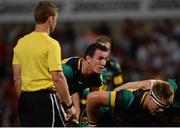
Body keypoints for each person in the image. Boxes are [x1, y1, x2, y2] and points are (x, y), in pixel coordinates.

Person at [12, 1, 75, 127]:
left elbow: (17, 78)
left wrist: (23, 99)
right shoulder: (51, 44)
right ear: (51, 19)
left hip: (24, 99)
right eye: (55, 19)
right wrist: (69, 105)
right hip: (44, 100)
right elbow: (57, 77)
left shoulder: (21, 42)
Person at [86, 80, 174, 126]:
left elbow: (145, 84)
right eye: (159, 106)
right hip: (106, 118)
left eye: (164, 107)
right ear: (151, 96)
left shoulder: (159, 91)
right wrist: (92, 124)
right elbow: (92, 98)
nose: (162, 110)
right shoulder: (127, 98)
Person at [61, 43, 109, 121]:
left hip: (68, 100)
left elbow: (95, 102)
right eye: (100, 58)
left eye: (105, 59)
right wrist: (66, 111)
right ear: (88, 58)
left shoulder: (97, 76)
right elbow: (53, 95)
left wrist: (91, 123)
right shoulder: (68, 69)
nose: (103, 63)